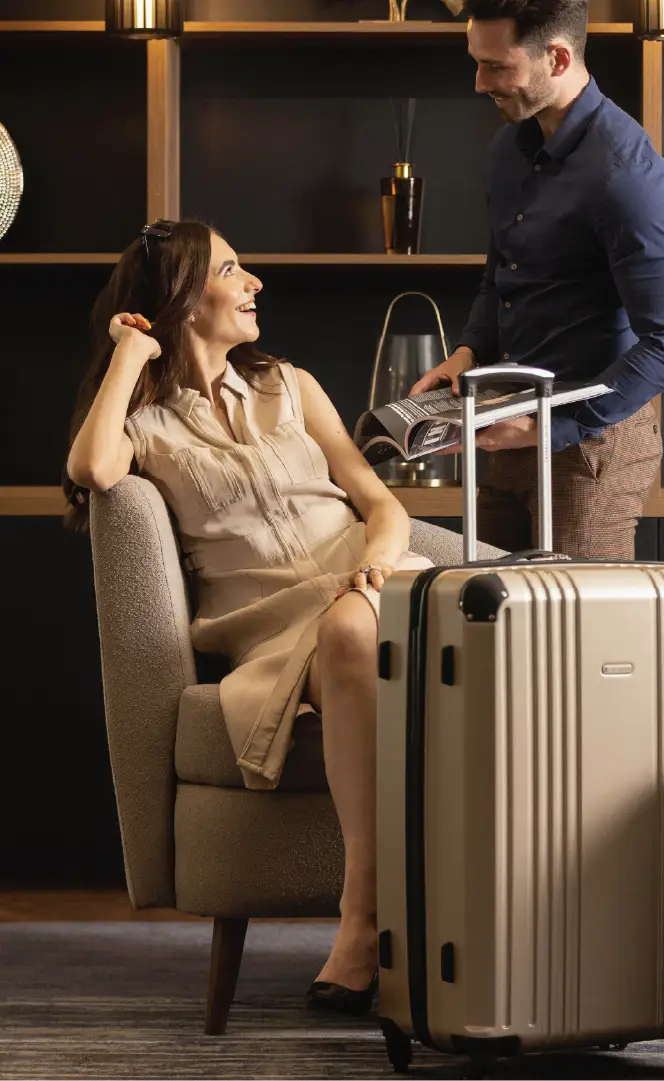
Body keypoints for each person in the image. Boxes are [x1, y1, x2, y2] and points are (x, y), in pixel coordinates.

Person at [63, 218, 432, 1016]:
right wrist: (130, 355)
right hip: (272, 633)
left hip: (378, 584)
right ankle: (370, 920)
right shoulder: (144, 426)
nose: (255, 281)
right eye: (233, 269)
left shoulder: (291, 386)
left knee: (357, 620)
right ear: (183, 299)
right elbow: (92, 469)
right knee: (342, 628)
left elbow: (379, 503)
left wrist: (380, 559)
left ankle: (368, 924)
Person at [409, 0, 664, 559]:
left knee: (574, 640)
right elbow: (502, 275)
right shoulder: (507, 149)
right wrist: (466, 353)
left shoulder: (628, 176)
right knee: (488, 625)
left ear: (558, 58)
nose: (478, 83)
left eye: (496, 66)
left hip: (591, 446)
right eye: (476, 62)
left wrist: (553, 426)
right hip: (510, 424)